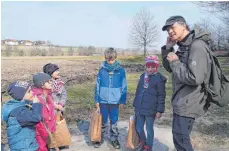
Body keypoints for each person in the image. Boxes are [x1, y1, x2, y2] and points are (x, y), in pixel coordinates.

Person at [161, 15, 211, 151]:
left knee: (181, 140)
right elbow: (170, 68)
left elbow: (195, 78)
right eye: (167, 30)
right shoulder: (183, 46)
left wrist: (176, 62)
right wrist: (168, 49)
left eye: (172, 27)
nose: (170, 31)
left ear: (183, 26)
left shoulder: (197, 46)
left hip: (189, 101)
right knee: (180, 138)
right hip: (181, 99)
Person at [94, 47, 127, 149]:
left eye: (112, 59)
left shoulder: (121, 71)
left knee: (114, 121)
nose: (110, 62)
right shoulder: (102, 70)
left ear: (115, 58)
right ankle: (100, 138)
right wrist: (97, 100)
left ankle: (114, 139)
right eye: (108, 59)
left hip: (115, 101)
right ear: (105, 58)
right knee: (103, 121)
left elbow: (124, 86)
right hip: (103, 101)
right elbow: (97, 86)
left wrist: (122, 100)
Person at [133, 55, 166, 151]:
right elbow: (138, 91)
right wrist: (135, 104)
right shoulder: (143, 76)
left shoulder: (159, 79)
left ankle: (149, 146)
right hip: (140, 107)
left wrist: (159, 110)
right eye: (148, 67)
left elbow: (161, 96)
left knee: (149, 129)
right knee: (139, 127)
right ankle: (142, 141)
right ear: (146, 67)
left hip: (151, 109)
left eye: (153, 67)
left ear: (156, 67)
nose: (150, 69)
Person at [2, 81, 42, 151]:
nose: (32, 93)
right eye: (29, 91)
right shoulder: (18, 112)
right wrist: (36, 104)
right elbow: (36, 118)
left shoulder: (18, 106)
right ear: (21, 95)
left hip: (25, 145)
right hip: (23, 147)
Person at [32, 72, 56, 151]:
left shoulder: (47, 95)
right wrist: (45, 131)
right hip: (41, 131)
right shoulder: (38, 98)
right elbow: (40, 118)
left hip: (46, 129)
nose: (51, 83)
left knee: (45, 146)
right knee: (41, 147)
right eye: (48, 82)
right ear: (42, 84)